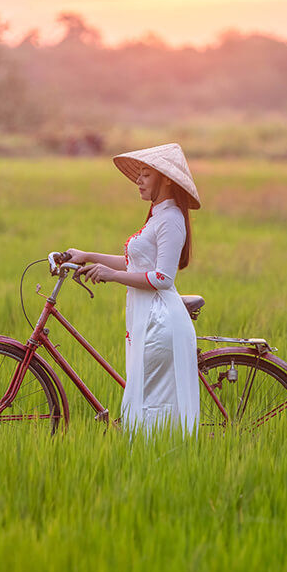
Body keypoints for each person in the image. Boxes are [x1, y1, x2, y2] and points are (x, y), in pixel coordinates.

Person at [66, 143, 201, 435]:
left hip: (160, 323)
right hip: (145, 319)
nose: (138, 181)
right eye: (138, 175)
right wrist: (87, 255)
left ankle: (159, 469)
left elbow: (163, 278)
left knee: (152, 410)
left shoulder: (171, 219)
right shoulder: (157, 216)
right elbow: (134, 263)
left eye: (145, 175)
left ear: (165, 178)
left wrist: (112, 276)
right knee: (143, 405)